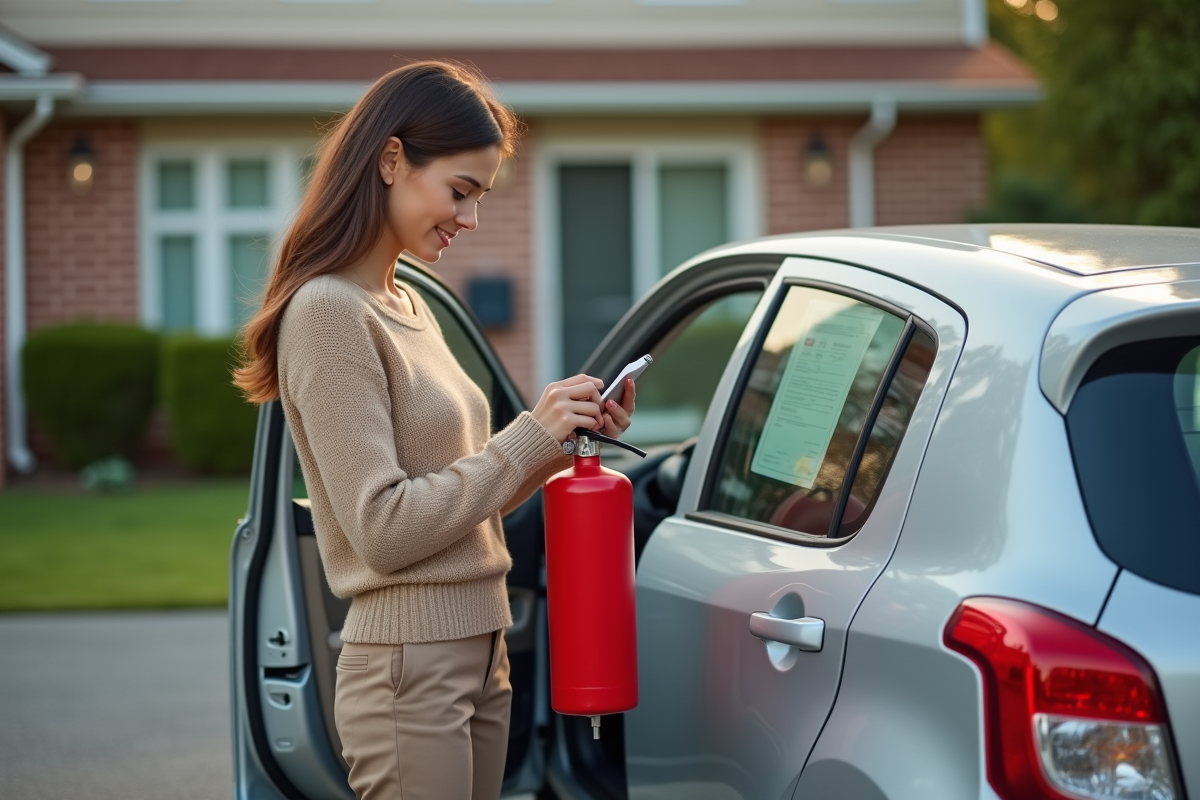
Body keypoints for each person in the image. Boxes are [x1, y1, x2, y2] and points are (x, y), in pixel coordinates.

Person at [233, 61, 636, 800]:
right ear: (392, 160)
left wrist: (559, 443)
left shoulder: (409, 304)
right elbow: (385, 528)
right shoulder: (329, 313)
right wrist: (524, 435)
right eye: (461, 192)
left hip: (479, 653)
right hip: (408, 669)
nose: (470, 219)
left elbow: (460, 503)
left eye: (479, 197)